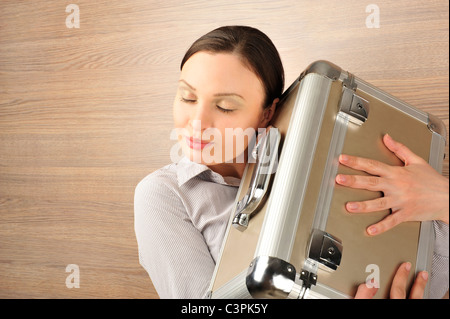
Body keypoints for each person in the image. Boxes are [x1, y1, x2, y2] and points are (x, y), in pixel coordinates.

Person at [134, 25, 448, 299]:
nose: (197, 122)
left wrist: (442, 196)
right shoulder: (164, 194)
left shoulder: (323, 159)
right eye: (187, 97)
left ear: (267, 113)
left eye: (226, 106)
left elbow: (431, 269)